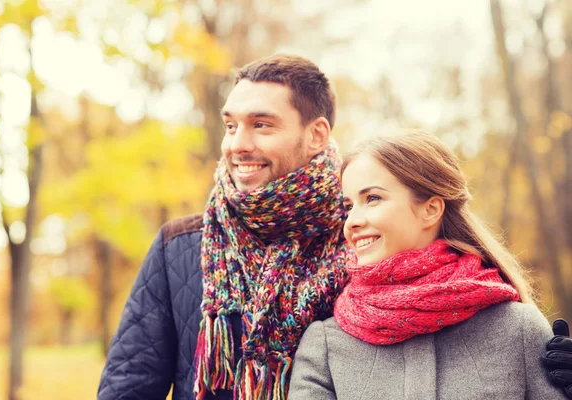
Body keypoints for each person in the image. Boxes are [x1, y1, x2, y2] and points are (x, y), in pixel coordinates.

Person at [97, 55, 572, 400]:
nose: (238, 144)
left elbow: (434, 319)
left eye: (261, 125)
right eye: (231, 126)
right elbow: (127, 386)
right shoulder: (182, 246)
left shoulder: (370, 249)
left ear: (316, 134)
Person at [288, 130, 571, 399]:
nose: (352, 221)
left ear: (430, 209)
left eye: (372, 198)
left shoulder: (518, 329)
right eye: (349, 206)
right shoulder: (325, 346)